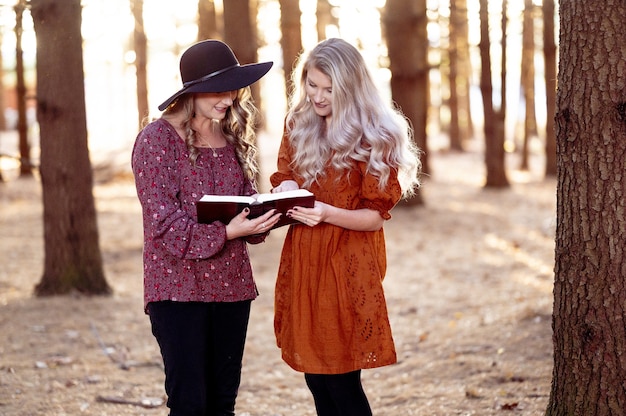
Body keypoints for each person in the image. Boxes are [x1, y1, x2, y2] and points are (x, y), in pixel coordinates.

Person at [269, 37, 422, 415]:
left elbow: (373, 218)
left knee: (340, 378)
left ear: (351, 87)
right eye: (312, 84)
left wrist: (326, 213)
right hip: (305, 258)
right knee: (316, 377)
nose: (318, 97)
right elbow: (285, 174)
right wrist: (287, 186)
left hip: (348, 262)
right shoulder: (298, 124)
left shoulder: (376, 135)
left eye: (329, 89)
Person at [131, 39, 281, 416]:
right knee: (189, 404)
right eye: (219, 89)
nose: (229, 98)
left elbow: (245, 202)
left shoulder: (230, 139)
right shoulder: (156, 140)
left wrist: (268, 214)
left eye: (233, 89)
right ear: (192, 91)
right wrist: (227, 233)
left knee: (222, 404)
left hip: (232, 288)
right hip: (177, 290)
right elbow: (164, 224)